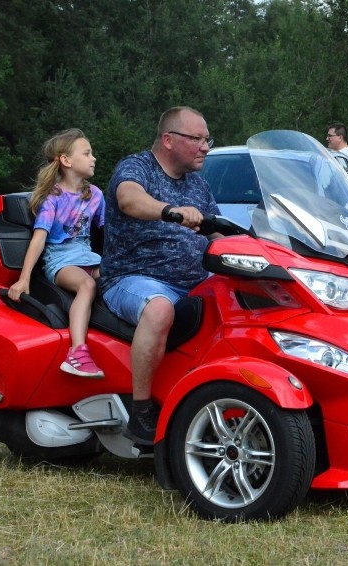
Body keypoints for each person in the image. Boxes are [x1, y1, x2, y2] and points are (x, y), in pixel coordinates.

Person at [100, 106, 220, 446]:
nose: (205, 147)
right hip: (133, 278)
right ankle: (141, 413)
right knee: (159, 309)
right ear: (168, 140)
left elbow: (216, 233)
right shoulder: (137, 168)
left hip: (194, 282)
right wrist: (170, 212)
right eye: (197, 138)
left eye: (207, 139)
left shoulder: (198, 184)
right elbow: (129, 200)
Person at [8, 129, 105, 377]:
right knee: (86, 285)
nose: (94, 158)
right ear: (66, 160)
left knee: (115, 276)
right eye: (87, 153)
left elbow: (109, 232)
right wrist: (24, 277)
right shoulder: (53, 199)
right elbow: (39, 239)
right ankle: (77, 353)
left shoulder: (95, 195)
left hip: (87, 255)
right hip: (60, 259)